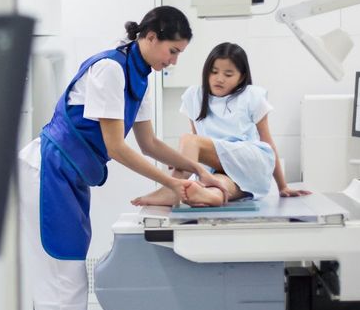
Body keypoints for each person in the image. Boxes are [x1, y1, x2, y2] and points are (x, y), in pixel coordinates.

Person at [18, 6, 229, 310]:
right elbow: (117, 148)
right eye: (172, 50)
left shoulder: (140, 77)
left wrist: (201, 169)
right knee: (61, 282)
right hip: (48, 171)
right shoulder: (110, 70)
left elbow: (149, 144)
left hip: (71, 176)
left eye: (180, 53)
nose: (174, 60)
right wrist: (173, 185)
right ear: (149, 36)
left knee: (70, 281)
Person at [132, 41, 311, 207]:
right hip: (221, 169)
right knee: (216, 190)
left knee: (190, 140)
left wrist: (282, 186)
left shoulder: (251, 96)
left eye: (228, 74)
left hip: (250, 162)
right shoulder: (195, 97)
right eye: (214, 71)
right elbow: (198, 150)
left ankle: (172, 190)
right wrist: (186, 163)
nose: (219, 78)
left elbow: (267, 143)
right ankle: (202, 195)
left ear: (241, 77)